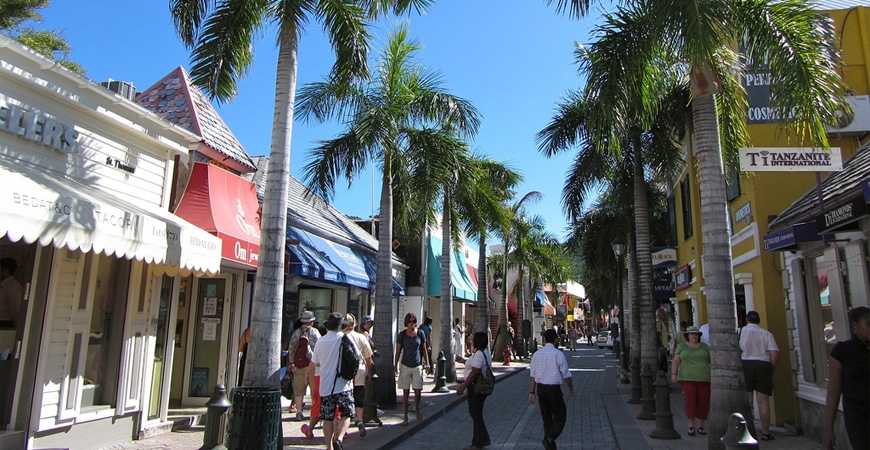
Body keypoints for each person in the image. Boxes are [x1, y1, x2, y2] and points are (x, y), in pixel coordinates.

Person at [824, 306, 869, 450]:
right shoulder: (843, 351)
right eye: (868, 324)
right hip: (858, 415)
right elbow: (833, 391)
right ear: (856, 326)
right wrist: (829, 428)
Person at [311, 312, 357, 450]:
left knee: (327, 417)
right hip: (343, 384)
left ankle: (329, 446)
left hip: (326, 385)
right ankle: (339, 438)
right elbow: (356, 358)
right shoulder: (345, 338)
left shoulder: (321, 341)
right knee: (347, 413)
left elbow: (316, 363)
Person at [529, 329, 574, 450]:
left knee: (547, 417)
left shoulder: (537, 354)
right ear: (555, 339)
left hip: (541, 389)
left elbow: (532, 375)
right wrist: (571, 388)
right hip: (554, 389)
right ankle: (549, 438)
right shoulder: (557, 354)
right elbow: (566, 374)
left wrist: (532, 392)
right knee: (560, 416)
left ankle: (550, 446)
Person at [739, 310, 779, 441]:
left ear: (747, 319)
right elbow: (774, 354)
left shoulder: (740, 332)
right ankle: (765, 432)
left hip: (746, 363)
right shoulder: (766, 334)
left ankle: (746, 431)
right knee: (763, 402)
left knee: (747, 401)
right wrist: (769, 368)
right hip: (763, 364)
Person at [670, 326, 711, 436]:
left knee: (703, 402)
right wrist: (674, 374)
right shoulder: (682, 347)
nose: (694, 336)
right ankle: (691, 426)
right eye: (692, 334)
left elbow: (712, 361)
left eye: (696, 334)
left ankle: (701, 426)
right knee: (690, 401)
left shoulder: (705, 347)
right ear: (687, 336)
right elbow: (676, 361)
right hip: (687, 379)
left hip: (704, 379)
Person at [456, 331, 492, 450]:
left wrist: (463, 386)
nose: (471, 340)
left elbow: (475, 371)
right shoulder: (483, 352)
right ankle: (484, 438)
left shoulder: (479, 354)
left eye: (473, 339)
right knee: (476, 413)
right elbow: (474, 365)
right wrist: (464, 361)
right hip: (477, 387)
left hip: (475, 387)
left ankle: (477, 443)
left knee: (475, 413)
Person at [394, 312, 431, 426]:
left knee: (418, 391)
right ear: (406, 322)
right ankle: (405, 417)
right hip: (405, 365)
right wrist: (395, 365)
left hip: (417, 365)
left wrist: (427, 364)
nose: (412, 324)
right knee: (405, 392)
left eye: (414, 321)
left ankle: (416, 407)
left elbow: (424, 350)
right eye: (410, 321)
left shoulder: (420, 334)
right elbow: (398, 351)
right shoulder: (402, 335)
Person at [343, 314, 373, 438]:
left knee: (345, 395)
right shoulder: (361, 337)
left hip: (345, 370)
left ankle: (344, 425)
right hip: (359, 368)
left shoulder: (341, 337)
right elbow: (368, 357)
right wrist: (368, 372)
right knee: (359, 394)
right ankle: (359, 419)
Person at [286, 310, 320, 420]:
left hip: (299, 365)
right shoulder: (314, 332)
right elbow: (319, 348)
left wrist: (291, 362)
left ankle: (299, 411)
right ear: (312, 322)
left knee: (299, 389)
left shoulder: (296, 332)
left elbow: (291, 348)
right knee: (314, 389)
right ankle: (314, 413)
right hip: (312, 365)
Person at [0, 257, 24, 329]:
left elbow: (16, 308)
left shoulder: (13, 286)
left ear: (5, 270)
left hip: (5, 324)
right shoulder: (4, 285)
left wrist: (17, 328)